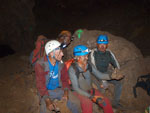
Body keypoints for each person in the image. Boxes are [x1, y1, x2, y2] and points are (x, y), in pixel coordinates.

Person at [35, 40, 79, 113]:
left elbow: (65, 80)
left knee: (76, 103)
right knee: (45, 110)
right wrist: (47, 100)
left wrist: (65, 92)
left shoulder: (61, 64)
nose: (62, 54)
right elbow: (40, 84)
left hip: (59, 89)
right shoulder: (41, 64)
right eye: (59, 52)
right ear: (51, 53)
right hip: (46, 91)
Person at [68, 45, 114, 113]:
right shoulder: (72, 69)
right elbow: (76, 88)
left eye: (87, 55)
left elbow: (100, 75)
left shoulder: (88, 65)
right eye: (84, 56)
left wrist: (112, 76)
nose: (87, 58)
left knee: (105, 101)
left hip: (90, 90)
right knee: (88, 103)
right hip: (79, 92)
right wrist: (91, 97)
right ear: (78, 57)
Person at [90, 34, 124, 109]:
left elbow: (115, 63)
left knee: (119, 83)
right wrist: (103, 80)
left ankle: (115, 103)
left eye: (104, 44)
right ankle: (100, 105)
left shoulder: (109, 53)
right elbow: (94, 68)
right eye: (100, 44)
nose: (102, 46)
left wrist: (117, 72)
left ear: (107, 45)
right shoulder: (93, 53)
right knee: (102, 88)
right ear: (97, 44)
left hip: (105, 73)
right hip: (94, 75)